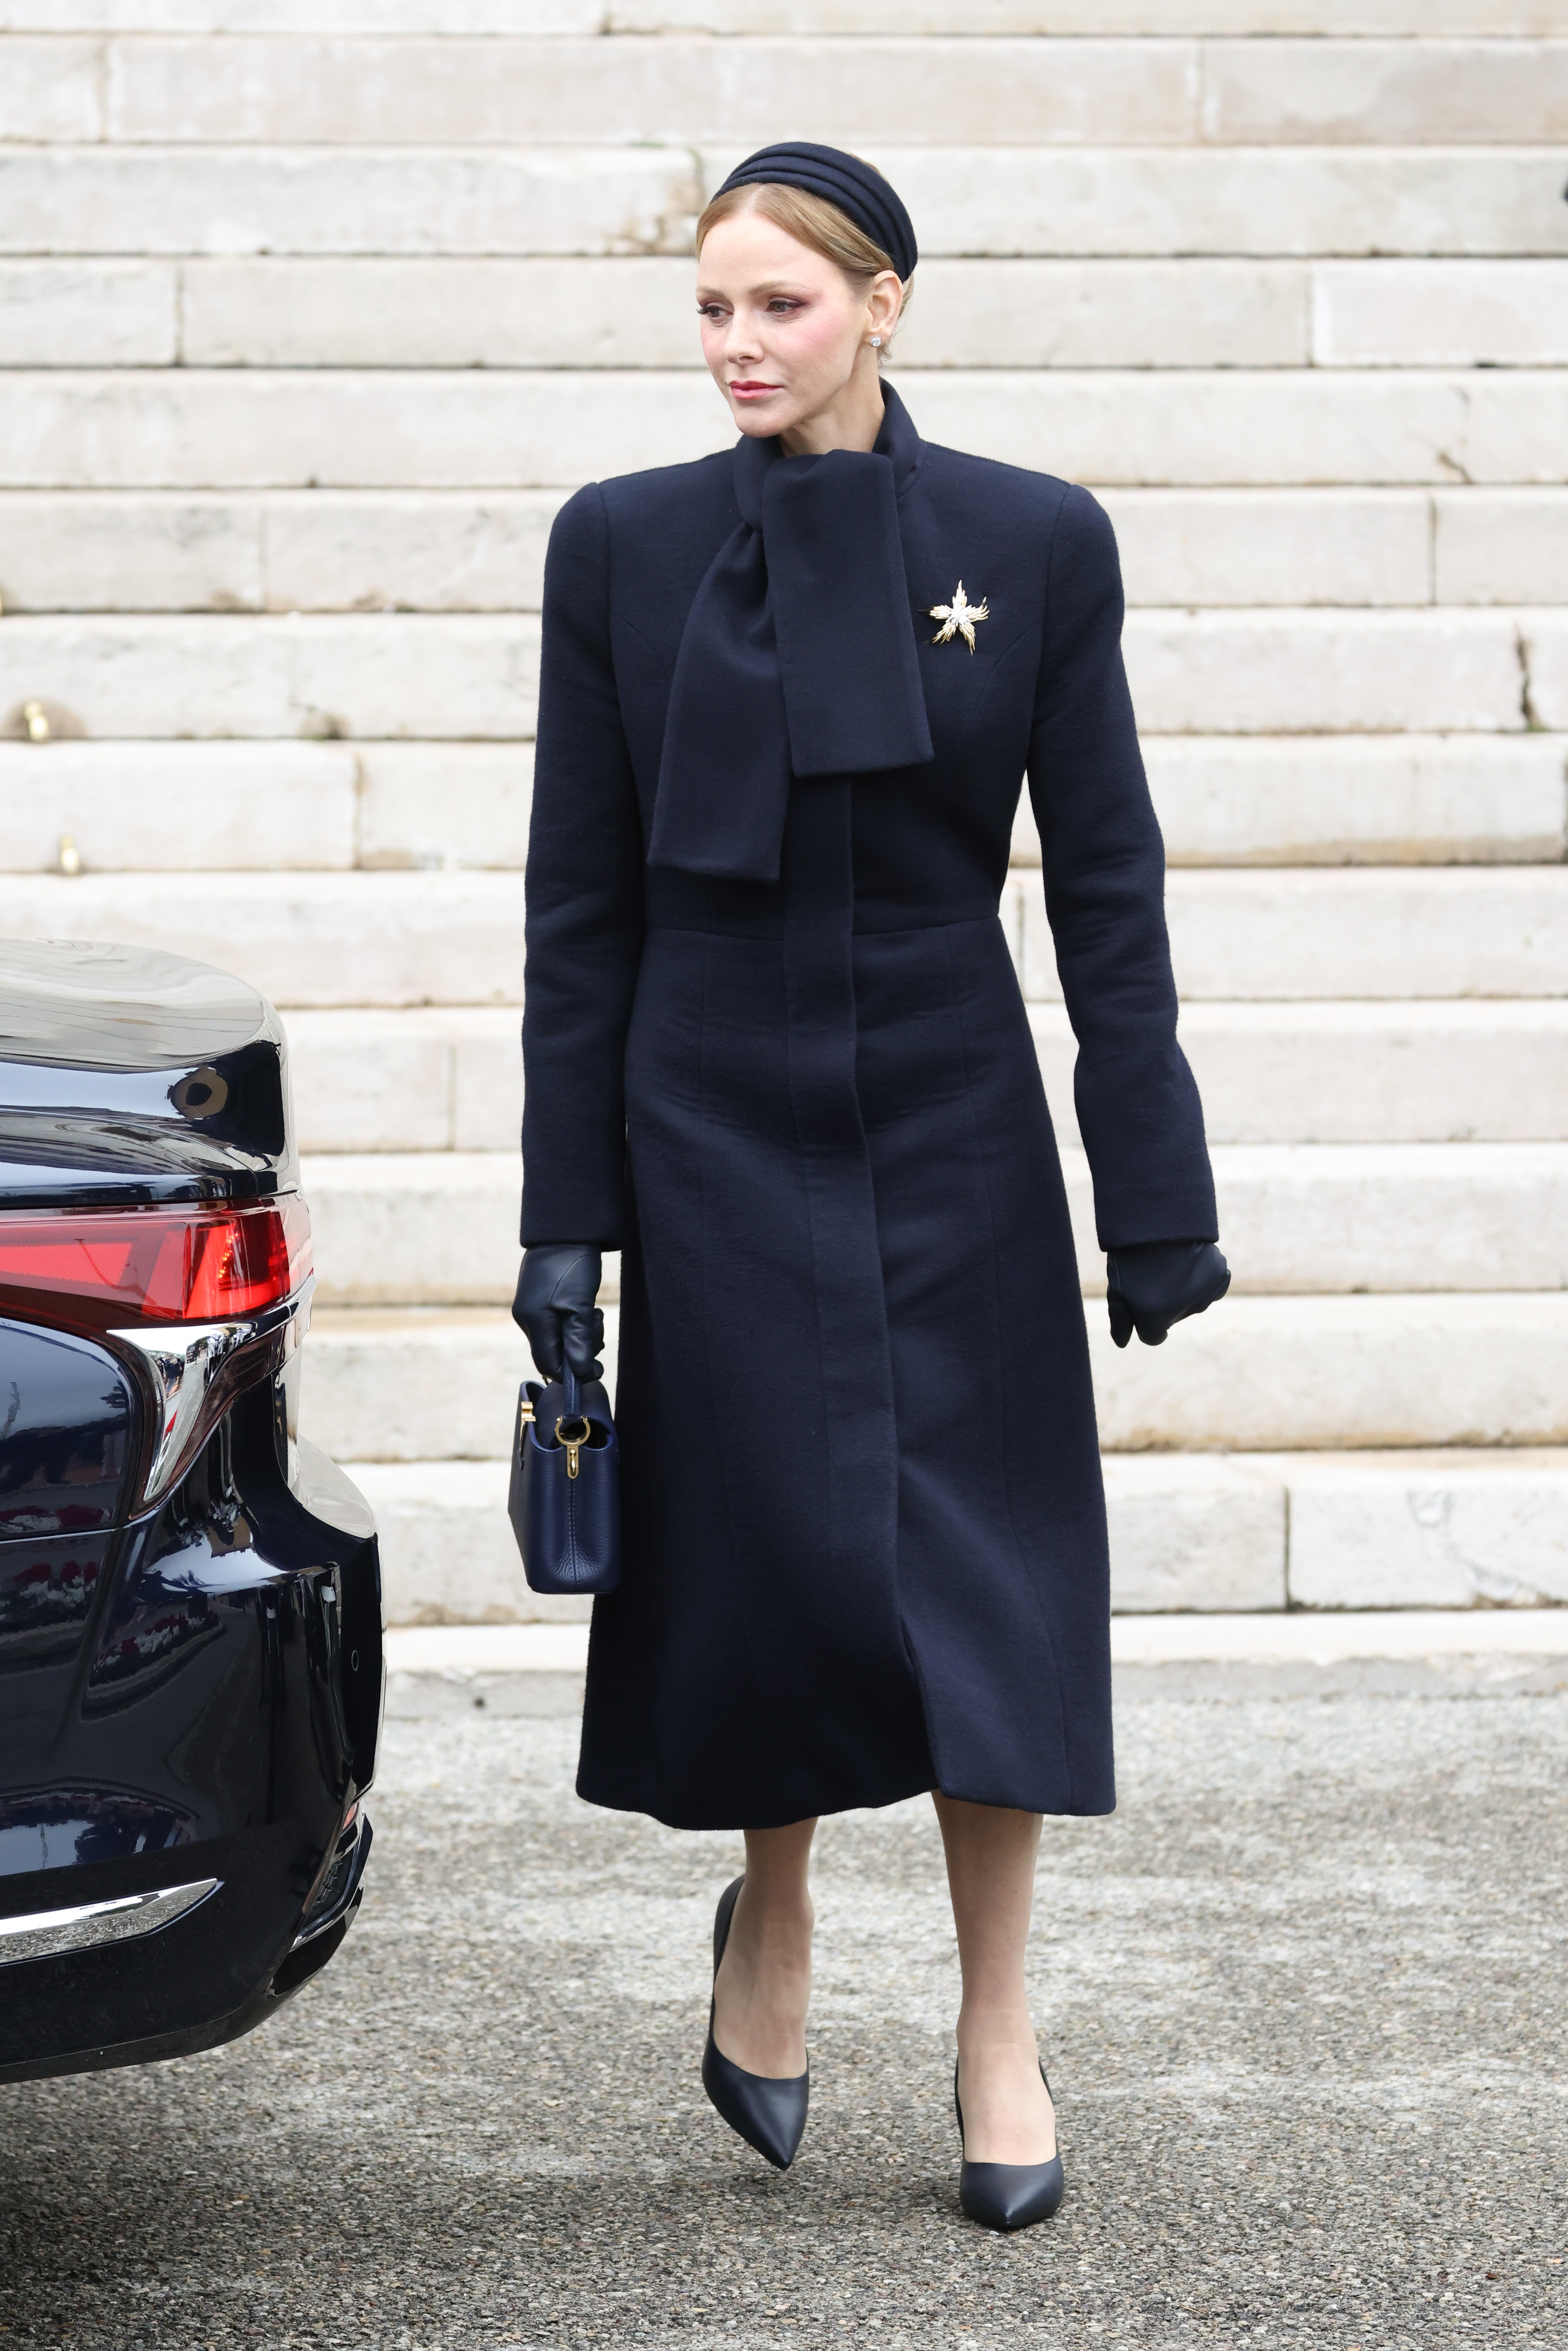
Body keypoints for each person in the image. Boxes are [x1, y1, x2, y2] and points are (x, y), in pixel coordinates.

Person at [514, 142, 1229, 2231]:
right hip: (707, 1105)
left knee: (990, 1577)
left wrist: (1152, 1185)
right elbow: (580, 907)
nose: (741, 345)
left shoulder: (1032, 538)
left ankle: (998, 2021)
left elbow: (1106, 881)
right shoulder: (624, 547)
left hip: (948, 1099)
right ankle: (775, 1919)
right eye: (714, 308)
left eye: (783, 306)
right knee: (771, 1560)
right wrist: (572, 1215)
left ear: (887, 302)